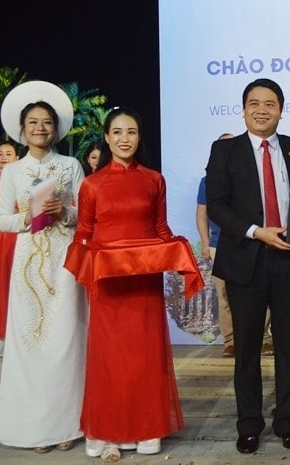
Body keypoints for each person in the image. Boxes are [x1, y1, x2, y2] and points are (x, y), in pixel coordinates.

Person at [64, 107, 203, 462]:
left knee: (145, 356)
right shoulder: (92, 184)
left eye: (132, 132)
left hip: (144, 281)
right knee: (109, 358)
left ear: (139, 138)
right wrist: (81, 263)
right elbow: (85, 231)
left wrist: (177, 248)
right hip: (108, 282)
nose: (125, 138)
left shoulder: (154, 179)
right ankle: (106, 431)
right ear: (107, 138)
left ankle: (146, 427)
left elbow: (159, 229)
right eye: (118, 132)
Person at [205, 78, 290, 453]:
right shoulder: (225, 151)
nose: (262, 110)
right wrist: (255, 232)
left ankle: (288, 422)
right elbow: (217, 204)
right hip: (245, 261)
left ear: (281, 110)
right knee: (247, 350)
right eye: (254, 103)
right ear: (244, 109)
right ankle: (249, 425)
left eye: (270, 104)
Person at [0, 80, 87, 454]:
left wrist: (63, 212)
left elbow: (87, 215)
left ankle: (66, 426)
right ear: (21, 129)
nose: (40, 128)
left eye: (47, 122)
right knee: (30, 344)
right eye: (33, 122)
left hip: (64, 262)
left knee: (66, 341)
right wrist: (27, 216)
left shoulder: (71, 166)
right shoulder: (13, 172)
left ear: (56, 128)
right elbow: (1, 219)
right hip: (27, 266)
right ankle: (35, 429)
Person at [196, 132, 236, 357]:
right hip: (218, 244)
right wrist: (205, 243)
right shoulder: (208, 181)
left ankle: (265, 338)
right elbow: (201, 214)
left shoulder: (248, 173)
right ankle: (230, 341)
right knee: (224, 295)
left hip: (248, 242)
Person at [0, 139, 20, 354]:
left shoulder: (19, 179)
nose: (3, 158)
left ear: (16, 158)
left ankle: (8, 334)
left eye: (8, 154)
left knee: (9, 284)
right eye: (0, 154)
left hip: (14, 240)